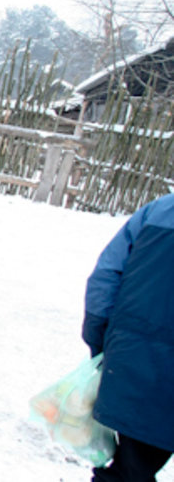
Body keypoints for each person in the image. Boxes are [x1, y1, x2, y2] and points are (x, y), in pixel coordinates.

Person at [82, 193, 174, 481]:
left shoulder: (159, 211)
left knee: (131, 470)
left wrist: (102, 345)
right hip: (147, 365)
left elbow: (106, 277)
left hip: (141, 366)